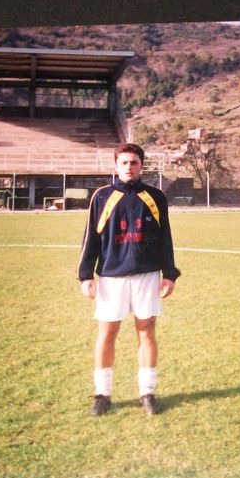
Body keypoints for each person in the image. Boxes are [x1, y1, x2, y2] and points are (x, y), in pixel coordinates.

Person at [77, 143, 180, 416]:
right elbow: (91, 238)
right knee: (107, 333)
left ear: (141, 165)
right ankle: (102, 394)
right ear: (116, 165)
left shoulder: (155, 196)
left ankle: (147, 393)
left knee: (146, 332)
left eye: (134, 162)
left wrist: (169, 274)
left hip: (147, 275)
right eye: (124, 162)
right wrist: (85, 274)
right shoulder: (102, 196)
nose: (129, 167)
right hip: (112, 276)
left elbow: (165, 238)